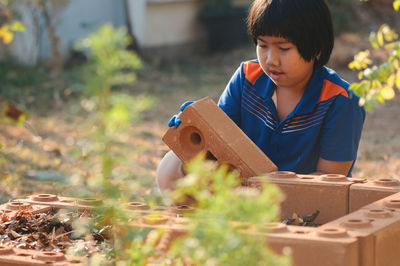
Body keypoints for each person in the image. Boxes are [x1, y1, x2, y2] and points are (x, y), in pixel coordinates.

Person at [156, 0, 365, 193]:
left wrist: (263, 194)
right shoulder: (247, 77)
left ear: (317, 48)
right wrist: (199, 127)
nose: (271, 60)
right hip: (243, 190)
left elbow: (330, 181)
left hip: (302, 203)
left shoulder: (340, 99)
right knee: (171, 165)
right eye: (263, 45)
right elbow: (219, 144)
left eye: (284, 48)